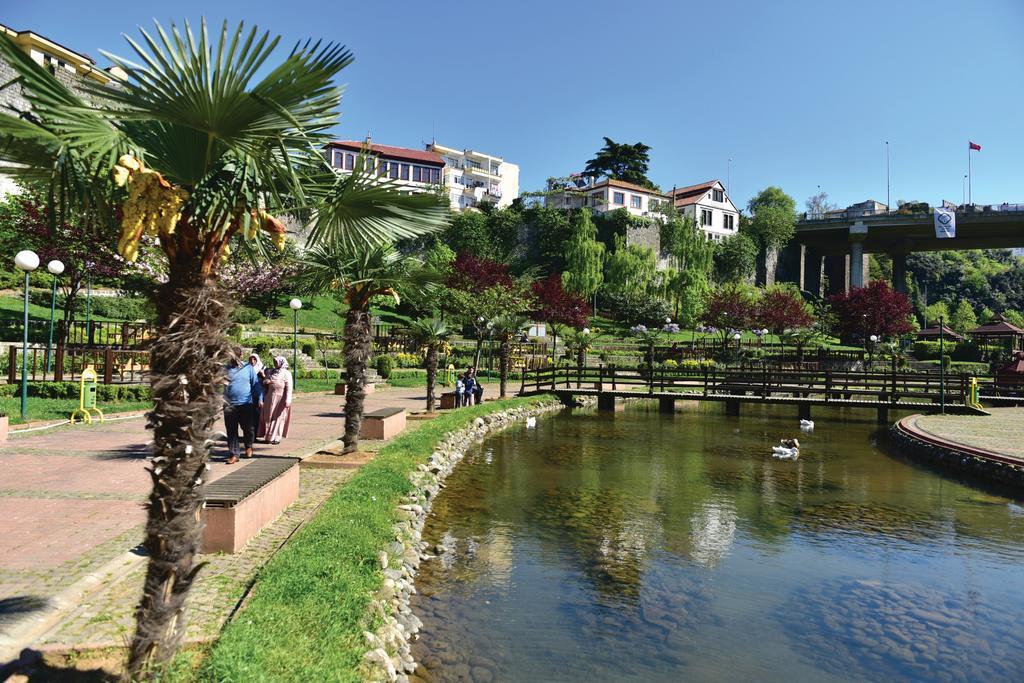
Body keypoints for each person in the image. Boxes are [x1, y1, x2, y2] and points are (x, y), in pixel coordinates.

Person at [224, 350, 263, 464]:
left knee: (248, 429)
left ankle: (248, 446)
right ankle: (234, 454)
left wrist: (260, 398)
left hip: (246, 404)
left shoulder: (248, 368)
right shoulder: (225, 369)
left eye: (236, 355)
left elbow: (255, 384)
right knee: (231, 431)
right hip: (229, 405)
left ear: (241, 356)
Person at [260, 356, 293, 444]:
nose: (275, 363)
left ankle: (277, 437)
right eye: (274, 362)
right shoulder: (271, 371)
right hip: (270, 397)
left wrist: (288, 400)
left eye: (276, 362)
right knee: (268, 416)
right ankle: (269, 436)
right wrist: (267, 381)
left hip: (281, 398)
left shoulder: (286, 373)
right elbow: (265, 381)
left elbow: (289, 387)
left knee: (278, 417)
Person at [248, 352, 266, 437]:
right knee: (248, 417)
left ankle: (256, 434)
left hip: (259, 396)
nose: (252, 361)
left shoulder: (262, 369)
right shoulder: (247, 369)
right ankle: (251, 435)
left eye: (254, 359)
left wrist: (263, 375)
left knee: (257, 416)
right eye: (250, 359)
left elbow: (267, 381)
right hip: (248, 396)